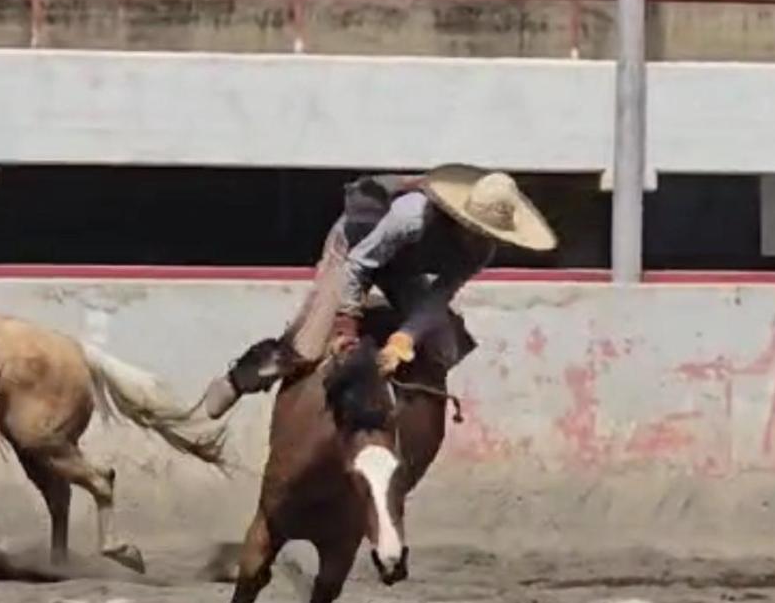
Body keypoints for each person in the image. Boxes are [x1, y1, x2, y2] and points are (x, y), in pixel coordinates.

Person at [201, 164, 557, 419]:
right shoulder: (412, 216)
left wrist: (405, 337)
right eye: (473, 228)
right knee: (308, 348)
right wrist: (346, 325)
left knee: (443, 345)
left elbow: (439, 296)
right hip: (354, 248)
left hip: (402, 267)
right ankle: (239, 380)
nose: (478, 238)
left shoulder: (482, 251)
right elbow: (359, 264)